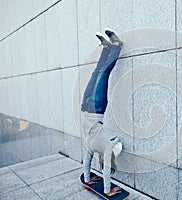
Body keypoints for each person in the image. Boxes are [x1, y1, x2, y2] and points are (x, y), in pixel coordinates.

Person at [81, 29, 123, 196]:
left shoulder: (91, 148)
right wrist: (107, 190)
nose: (105, 162)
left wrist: (87, 177)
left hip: (84, 106)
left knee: (95, 73)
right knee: (104, 74)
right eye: (108, 162)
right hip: (97, 107)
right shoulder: (108, 147)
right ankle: (117, 46)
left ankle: (106, 48)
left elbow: (86, 162)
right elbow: (116, 141)